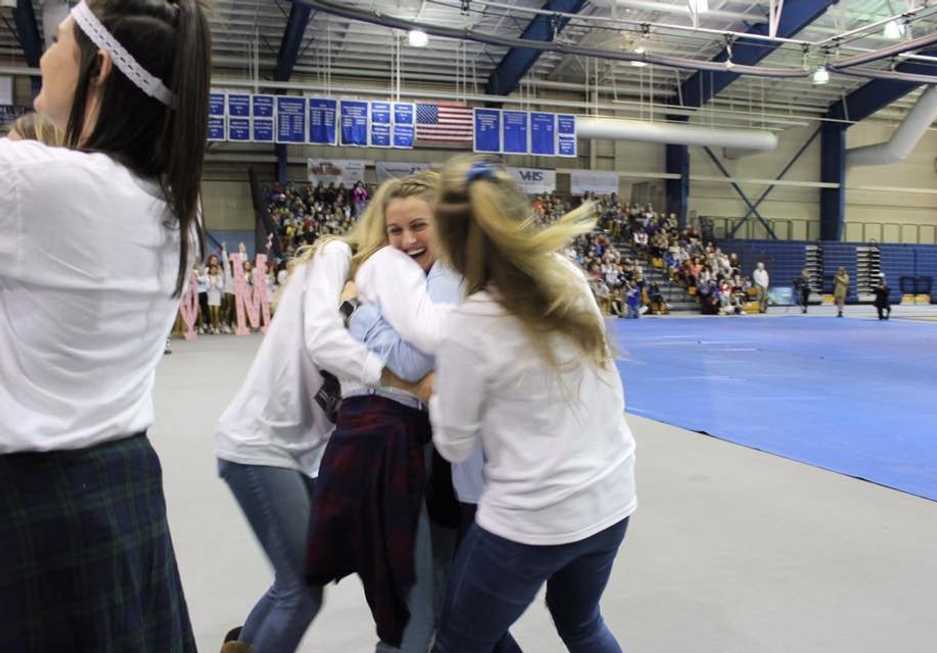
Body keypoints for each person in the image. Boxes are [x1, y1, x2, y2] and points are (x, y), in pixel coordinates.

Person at [0, 1, 211, 650]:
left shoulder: (36, 182)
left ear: (101, 69)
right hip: (125, 487)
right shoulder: (179, 212)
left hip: (30, 500)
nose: (42, 56)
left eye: (57, 40)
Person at [428, 157, 637, 653]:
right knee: (581, 622)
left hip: (531, 518)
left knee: (458, 642)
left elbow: (454, 444)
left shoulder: (471, 322)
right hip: (610, 496)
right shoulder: (567, 276)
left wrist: (441, 392)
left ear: (451, 243)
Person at [214, 181, 417, 653]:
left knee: (301, 577)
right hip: (260, 443)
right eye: (395, 231)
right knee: (300, 591)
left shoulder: (381, 301)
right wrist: (399, 378)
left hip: (299, 454)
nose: (404, 245)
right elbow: (322, 339)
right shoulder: (335, 256)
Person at [306, 172, 466, 653]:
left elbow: (416, 360)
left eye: (419, 226)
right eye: (395, 230)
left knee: (428, 592)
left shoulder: (448, 277)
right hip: (395, 446)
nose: (406, 240)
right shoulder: (396, 273)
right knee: (407, 594)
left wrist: (357, 312)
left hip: (436, 452)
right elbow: (413, 364)